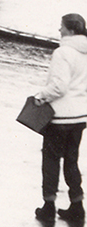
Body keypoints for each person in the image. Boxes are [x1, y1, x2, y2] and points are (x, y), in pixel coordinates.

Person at [33, 13, 87, 223]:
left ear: (70, 30)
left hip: (60, 116)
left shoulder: (63, 52)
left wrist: (40, 95)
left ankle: (49, 205)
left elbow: (59, 86)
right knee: (71, 160)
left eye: (61, 27)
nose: (59, 31)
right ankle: (77, 204)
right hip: (80, 116)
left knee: (51, 160)